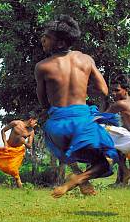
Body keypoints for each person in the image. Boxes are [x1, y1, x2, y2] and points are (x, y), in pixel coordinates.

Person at [34, 14, 118, 198]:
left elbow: (42, 101)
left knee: (65, 148)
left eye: (47, 37)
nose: (42, 40)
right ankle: (80, 178)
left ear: (60, 44)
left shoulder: (42, 67)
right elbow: (103, 90)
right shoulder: (86, 60)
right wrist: (81, 91)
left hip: (57, 124)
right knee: (105, 162)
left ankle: (78, 174)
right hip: (82, 120)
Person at [0, 112, 37, 188]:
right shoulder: (16, 123)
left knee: (13, 169)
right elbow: (3, 131)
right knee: (0, 160)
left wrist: (24, 142)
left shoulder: (31, 131)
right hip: (8, 147)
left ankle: (19, 186)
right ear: (31, 120)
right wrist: (5, 144)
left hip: (18, 151)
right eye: (35, 122)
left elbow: (29, 146)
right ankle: (19, 184)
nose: (35, 124)